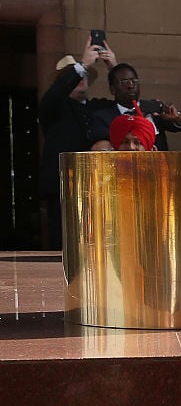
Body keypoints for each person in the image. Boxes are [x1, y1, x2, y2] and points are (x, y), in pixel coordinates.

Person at [38, 39, 116, 249]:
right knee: (63, 246)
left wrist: (114, 68)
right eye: (75, 76)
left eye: (84, 76)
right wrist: (81, 66)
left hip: (96, 188)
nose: (81, 79)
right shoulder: (55, 108)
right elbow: (51, 98)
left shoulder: (97, 107)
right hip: (63, 188)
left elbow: (125, 102)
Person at [89, 63, 181, 151]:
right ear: (112, 89)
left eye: (134, 81)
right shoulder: (103, 117)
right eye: (124, 82)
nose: (130, 86)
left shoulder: (154, 107)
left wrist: (177, 117)